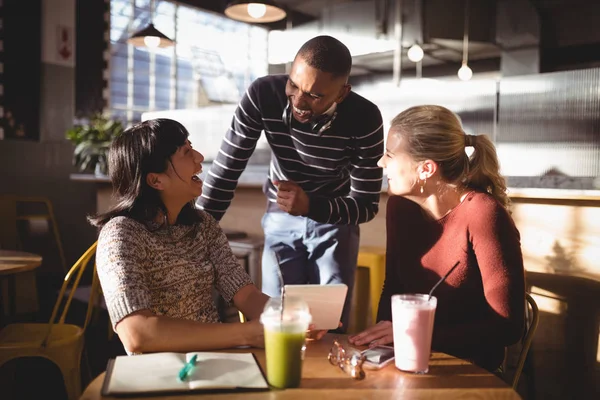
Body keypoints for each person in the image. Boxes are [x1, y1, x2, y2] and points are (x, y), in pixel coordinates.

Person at [197, 36, 384, 331]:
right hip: (279, 219)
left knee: (328, 327)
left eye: (314, 95)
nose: (298, 102)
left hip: (335, 227)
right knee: (278, 323)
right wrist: (196, 231)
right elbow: (226, 168)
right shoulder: (264, 93)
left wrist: (312, 206)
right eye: (293, 85)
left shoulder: (365, 117)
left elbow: (366, 205)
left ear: (342, 93)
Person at [349, 105, 525, 372]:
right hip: (409, 360)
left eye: (389, 155)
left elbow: (508, 328)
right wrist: (382, 349)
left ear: (426, 169)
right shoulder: (400, 206)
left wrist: (413, 335)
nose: (380, 163)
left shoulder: (484, 214)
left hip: (469, 370)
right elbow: (393, 288)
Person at [91, 118, 270, 354]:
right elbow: (137, 334)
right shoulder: (121, 234)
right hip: (160, 375)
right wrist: (247, 334)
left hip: (217, 363)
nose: (198, 157)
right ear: (156, 180)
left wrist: (293, 318)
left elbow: (247, 295)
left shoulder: (203, 225)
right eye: (186, 152)